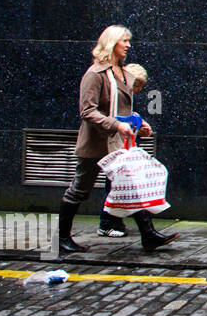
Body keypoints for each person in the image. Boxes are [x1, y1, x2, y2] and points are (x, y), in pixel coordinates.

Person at [60, 26, 177, 254]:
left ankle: (148, 235)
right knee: (79, 190)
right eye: (124, 41)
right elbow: (87, 112)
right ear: (112, 43)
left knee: (131, 187)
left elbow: (124, 111)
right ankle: (63, 238)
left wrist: (137, 126)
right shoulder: (95, 74)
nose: (128, 45)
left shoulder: (123, 74)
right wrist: (117, 125)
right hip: (96, 145)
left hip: (120, 145)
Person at [95, 62, 149, 238]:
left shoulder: (127, 100)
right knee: (115, 187)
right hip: (119, 150)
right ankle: (107, 223)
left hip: (125, 149)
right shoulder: (116, 99)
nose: (139, 89)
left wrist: (140, 127)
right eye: (136, 85)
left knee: (118, 187)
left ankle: (114, 222)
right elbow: (117, 121)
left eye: (141, 85)